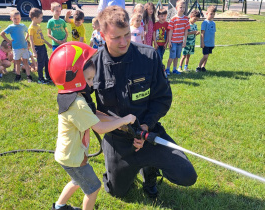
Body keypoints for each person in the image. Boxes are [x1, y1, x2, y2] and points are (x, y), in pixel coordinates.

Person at [92, 6, 197, 198]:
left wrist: (147, 126)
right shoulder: (92, 64)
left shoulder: (149, 57)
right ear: (102, 34)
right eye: (116, 37)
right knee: (117, 191)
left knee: (187, 175)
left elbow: (163, 98)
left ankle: (149, 168)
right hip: (117, 139)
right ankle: (124, 167)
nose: (123, 42)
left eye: (127, 35)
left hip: (148, 133)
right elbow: (81, 104)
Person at [48, 42, 136, 210]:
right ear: (75, 79)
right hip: (73, 158)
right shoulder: (77, 104)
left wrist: (119, 121)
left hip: (70, 154)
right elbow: (100, 128)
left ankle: (59, 207)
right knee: (93, 188)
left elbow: (95, 115)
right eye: (88, 79)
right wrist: (123, 121)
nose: (91, 83)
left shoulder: (73, 96)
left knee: (77, 181)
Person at [0, 9, 33, 82]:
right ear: (11, 18)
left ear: (20, 18)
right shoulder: (11, 27)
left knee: (26, 62)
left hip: (24, 47)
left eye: (18, 18)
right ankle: (18, 75)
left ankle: (29, 76)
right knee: (17, 62)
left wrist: (25, 38)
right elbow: (2, 33)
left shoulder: (23, 26)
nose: (17, 20)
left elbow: (28, 32)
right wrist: (8, 41)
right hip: (16, 48)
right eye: (15, 18)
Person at [28, 8, 53, 84]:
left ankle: (48, 77)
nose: (42, 19)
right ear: (35, 18)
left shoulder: (38, 26)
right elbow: (31, 41)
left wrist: (47, 43)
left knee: (46, 62)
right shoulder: (31, 28)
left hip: (42, 46)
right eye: (40, 18)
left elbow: (41, 37)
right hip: (38, 48)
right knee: (41, 64)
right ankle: (40, 79)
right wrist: (34, 52)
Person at [165, 0, 190, 75]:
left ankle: (174, 69)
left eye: (184, 7)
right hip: (173, 42)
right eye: (180, 7)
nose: (182, 9)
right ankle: (167, 69)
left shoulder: (186, 19)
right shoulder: (173, 19)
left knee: (176, 57)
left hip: (180, 42)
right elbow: (170, 31)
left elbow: (186, 31)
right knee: (171, 57)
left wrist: (184, 41)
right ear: (176, 8)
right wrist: (169, 42)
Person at [196, 6, 216, 72]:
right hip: (205, 43)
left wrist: (213, 42)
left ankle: (203, 67)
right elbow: (202, 33)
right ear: (207, 13)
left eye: (213, 14)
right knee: (205, 56)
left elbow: (213, 34)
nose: (212, 16)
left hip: (211, 43)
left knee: (207, 56)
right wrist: (202, 42)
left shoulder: (213, 23)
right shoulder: (205, 23)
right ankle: (198, 67)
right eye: (211, 14)